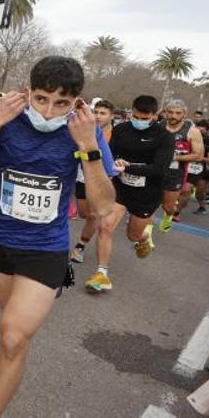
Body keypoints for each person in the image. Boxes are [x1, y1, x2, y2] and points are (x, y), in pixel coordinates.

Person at [0, 56, 116, 418]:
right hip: (0, 240)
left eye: (61, 103)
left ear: (77, 103)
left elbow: (103, 208)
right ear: (28, 92)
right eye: (41, 99)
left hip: (46, 248)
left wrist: (88, 145)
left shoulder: (84, 129)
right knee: (12, 339)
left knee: (12, 335)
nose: (50, 111)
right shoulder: (5, 119)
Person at [79, 95, 173, 292]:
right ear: (131, 112)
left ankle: (143, 239)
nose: (139, 121)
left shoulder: (164, 137)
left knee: (133, 235)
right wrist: (112, 166)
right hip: (121, 189)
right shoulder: (121, 129)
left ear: (155, 115)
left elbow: (160, 169)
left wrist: (129, 167)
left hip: (147, 193)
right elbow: (110, 155)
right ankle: (101, 274)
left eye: (145, 118)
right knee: (105, 226)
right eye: (136, 116)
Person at [69, 99, 115, 264]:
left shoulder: (117, 133)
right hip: (82, 175)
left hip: (102, 177)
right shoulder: (82, 127)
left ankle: (80, 246)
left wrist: (118, 165)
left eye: (102, 113)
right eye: (96, 112)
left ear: (111, 116)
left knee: (95, 214)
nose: (97, 116)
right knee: (84, 213)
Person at [158, 99, 204, 231]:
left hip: (175, 173)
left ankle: (169, 216)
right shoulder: (158, 126)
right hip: (156, 170)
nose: (173, 116)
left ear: (184, 114)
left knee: (167, 206)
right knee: (148, 204)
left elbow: (198, 156)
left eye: (178, 113)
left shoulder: (192, 131)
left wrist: (174, 157)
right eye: (170, 112)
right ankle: (146, 237)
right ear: (165, 112)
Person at [190, 120, 209, 215]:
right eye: (197, 128)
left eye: (201, 129)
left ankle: (202, 207)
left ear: (206, 129)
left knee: (199, 191)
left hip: (204, 169)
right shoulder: (191, 136)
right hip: (189, 166)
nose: (198, 130)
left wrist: (196, 157)